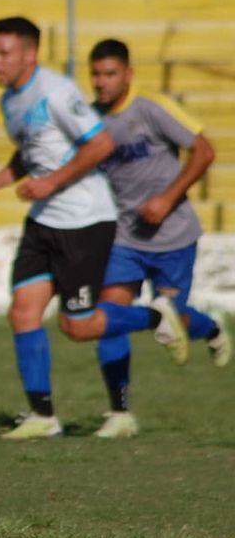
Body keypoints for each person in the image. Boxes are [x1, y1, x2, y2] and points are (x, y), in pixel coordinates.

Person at [0, 17, 189, 441]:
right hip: (43, 220)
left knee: (78, 326)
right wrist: (2, 178)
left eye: (4, 53)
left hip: (85, 220)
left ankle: (152, 316)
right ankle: (43, 416)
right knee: (23, 312)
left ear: (30, 54)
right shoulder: (10, 99)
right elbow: (34, 147)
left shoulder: (56, 92)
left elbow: (100, 144)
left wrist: (52, 181)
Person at [86, 38, 229, 438]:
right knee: (110, 315)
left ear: (128, 74)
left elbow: (204, 150)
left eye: (110, 73)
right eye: (95, 74)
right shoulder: (92, 121)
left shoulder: (152, 109)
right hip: (125, 238)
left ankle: (211, 327)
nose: (101, 82)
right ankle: (120, 413)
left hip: (174, 236)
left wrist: (167, 198)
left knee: (175, 320)